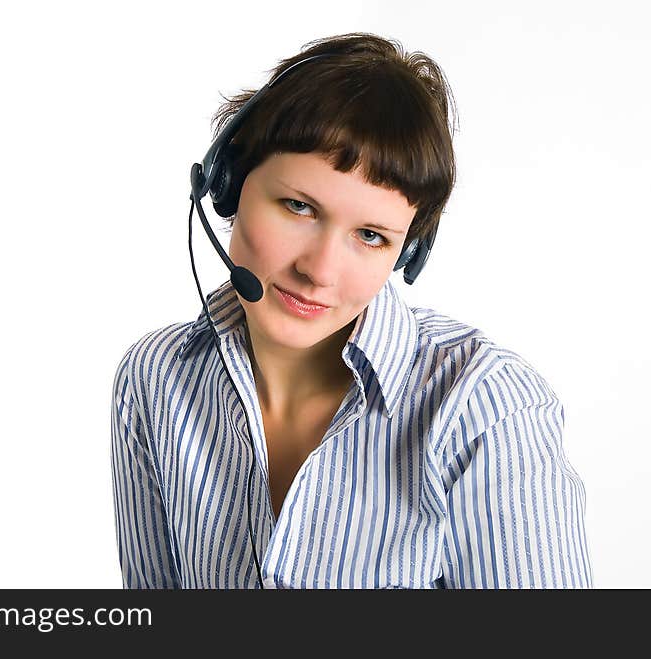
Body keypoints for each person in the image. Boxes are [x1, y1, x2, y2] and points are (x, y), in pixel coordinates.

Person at [110, 32, 592, 589]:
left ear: (406, 251)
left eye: (370, 236)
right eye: (298, 207)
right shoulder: (155, 377)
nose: (321, 270)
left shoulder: (485, 408)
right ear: (229, 183)